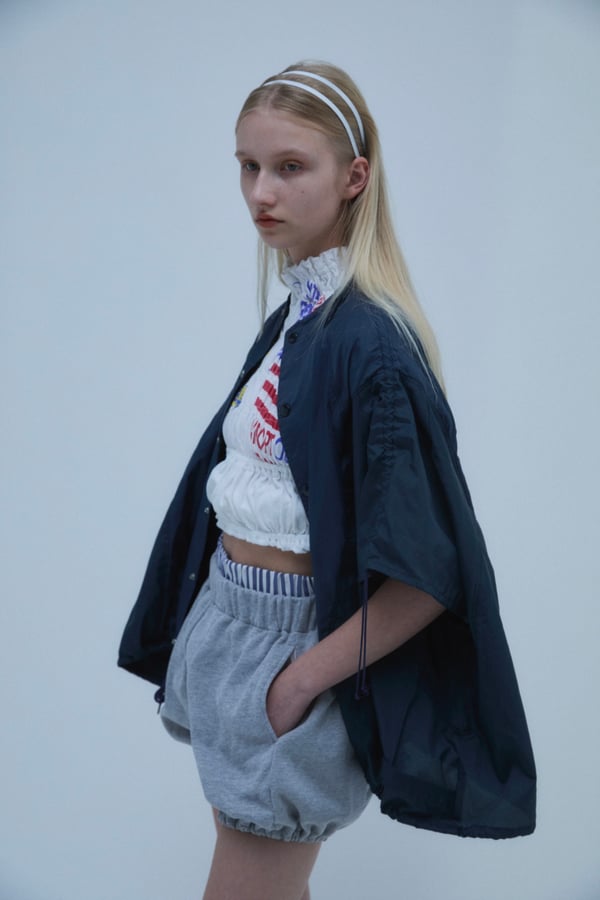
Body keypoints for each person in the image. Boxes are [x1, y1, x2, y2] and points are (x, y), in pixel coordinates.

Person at [118, 61, 536, 899]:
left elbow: (431, 572)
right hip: (231, 627)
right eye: (248, 166)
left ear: (354, 177)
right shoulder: (302, 314)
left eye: (290, 166)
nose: (260, 192)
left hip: (290, 656)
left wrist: (302, 680)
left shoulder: (369, 346)